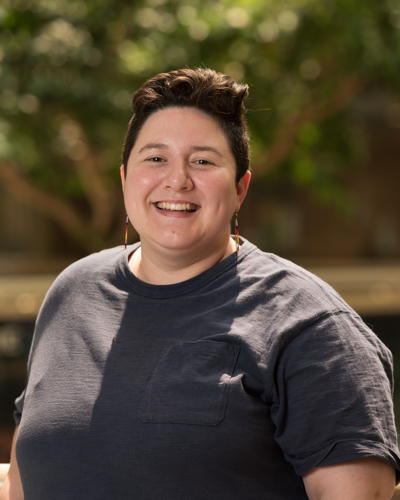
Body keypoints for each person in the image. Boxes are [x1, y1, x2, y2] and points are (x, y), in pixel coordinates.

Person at [1, 67, 399, 500]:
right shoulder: (72, 292)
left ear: (240, 188)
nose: (177, 180)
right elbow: (26, 474)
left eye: (203, 161)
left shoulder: (310, 323)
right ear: (124, 179)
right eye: (155, 158)